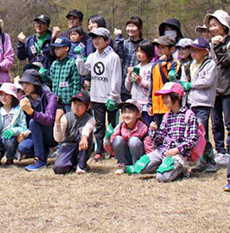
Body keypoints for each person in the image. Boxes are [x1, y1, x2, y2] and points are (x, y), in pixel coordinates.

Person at [126, 82, 199, 183]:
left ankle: (180, 169)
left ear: (176, 97)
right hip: (162, 151)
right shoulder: (167, 115)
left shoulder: (189, 115)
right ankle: (165, 167)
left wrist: (177, 150)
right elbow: (161, 138)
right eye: (163, 97)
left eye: (166, 97)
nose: (163, 100)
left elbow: (192, 139)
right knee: (139, 167)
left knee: (162, 177)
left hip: (178, 155)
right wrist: (154, 131)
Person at [76, 27, 122, 161]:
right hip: (96, 96)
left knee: (113, 124)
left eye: (99, 38)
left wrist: (113, 96)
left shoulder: (113, 57)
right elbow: (83, 71)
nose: (96, 41)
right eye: (94, 38)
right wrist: (79, 57)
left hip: (110, 97)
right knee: (99, 125)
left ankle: (113, 149)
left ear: (107, 40)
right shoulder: (92, 56)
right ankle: (99, 150)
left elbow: (116, 78)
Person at [205, 10, 230, 166]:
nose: (213, 28)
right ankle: (220, 150)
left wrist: (218, 45)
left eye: (215, 25)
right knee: (216, 122)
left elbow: (225, 61)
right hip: (214, 88)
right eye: (211, 26)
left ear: (224, 26)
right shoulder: (210, 44)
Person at [180, 38, 218, 173]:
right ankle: (201, 160)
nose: (193, 53)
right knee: (193, 133)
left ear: (205, 51)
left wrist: (191, 85)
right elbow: (184, 80)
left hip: (203, 103)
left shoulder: (210, 64)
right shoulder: (188, 65)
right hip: (190, 103)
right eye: (192, 50)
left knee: (201, 132)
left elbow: (207, 81)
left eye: (197, 50)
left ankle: (210, 161)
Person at [17, 69, 58, 171]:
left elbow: (49, 120)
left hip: (50, 134)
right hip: (33, 134)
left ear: (36, 84)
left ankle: (40, 159)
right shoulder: (24, 99)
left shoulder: (50, 96)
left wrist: (32, 113)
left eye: (27, 83)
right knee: (22, 147)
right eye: (23, 84)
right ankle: (44, 151)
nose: (24, 87)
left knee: (34, 121)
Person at [53, 91, 96, 174]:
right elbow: (58, 139)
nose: (76, 106)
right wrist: (57, 122)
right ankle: (72, 165)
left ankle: (81, 165)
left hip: (81, 146)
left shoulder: (90, 119)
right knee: (59, 169)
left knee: (85, 135)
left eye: (80, 104)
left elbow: (87, 128)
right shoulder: (65, 118)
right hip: (67, 147)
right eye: (74, 103)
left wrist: (84, 137)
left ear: (87, 107)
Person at [0, 83, 27, 166]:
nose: (4, 97)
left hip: (10, 139)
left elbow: (24, 128)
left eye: (7, 95)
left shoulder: (19, 111)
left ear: (13, 96)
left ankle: (10, 158)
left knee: (10, 141)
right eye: (1, 95)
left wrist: (13, 131)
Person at [111, 99, 154, 174]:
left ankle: (136, 166)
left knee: (134, 140)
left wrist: (150, 162)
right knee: (117, 139)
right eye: (124, 112)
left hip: (139, 156)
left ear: (138, 114)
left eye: (130, 112)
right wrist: (107, 141)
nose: (126, 115)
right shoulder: (120, 127)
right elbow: (111, 145)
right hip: (126, 154)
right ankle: (122, 165)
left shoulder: (143, 128)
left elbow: (148, 148)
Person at [148, 35, 180, 126]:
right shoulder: (155, 65)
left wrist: (162, 64)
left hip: (169, 105)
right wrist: (150, 103)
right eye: (158, 47)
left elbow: (168, 80)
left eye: (163, 47)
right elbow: (152, 84)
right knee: (157, 132)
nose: (159, 50)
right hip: (156, 106)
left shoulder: (175, 64)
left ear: (172, 49)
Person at [115, 16, 145, 102]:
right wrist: (118, 37)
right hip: (125, 83)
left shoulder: (144, 44)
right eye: (128, 26)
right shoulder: (123, 43)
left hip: (139, 83)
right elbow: (116, 54)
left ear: (140, 29)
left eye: (133, 26)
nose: (130, 29)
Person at [48, 36, 81, 113]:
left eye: (59, 48)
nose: (56, 50)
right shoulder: (54, 64)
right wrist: (43, 76)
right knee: (57, 122)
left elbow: (76, 84)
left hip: (68, 101)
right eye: (55, 48)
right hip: (56, 100)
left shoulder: (72, 63)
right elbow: (51, 81)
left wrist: (74, 101)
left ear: (66, 48)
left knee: (68, 122)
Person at [124, 40, 155, 123]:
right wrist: (129, 76)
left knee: (147, 125)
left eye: (142, 52)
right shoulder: (135, 67)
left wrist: (141, 81)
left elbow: (153, 85)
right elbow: (128, 88)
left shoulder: (152, 67)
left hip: (146, 102)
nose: (139, 54)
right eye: (137, 51)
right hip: (135, 101)